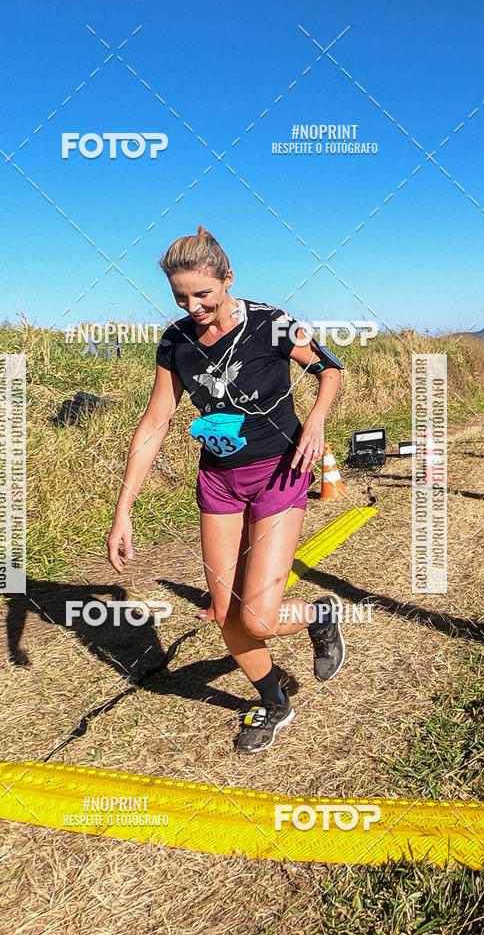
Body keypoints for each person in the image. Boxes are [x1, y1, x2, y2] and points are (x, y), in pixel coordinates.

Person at [107, 225, 345, 753]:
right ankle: (275, 702)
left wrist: (316, 422)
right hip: (218, 481)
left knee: (258, 616)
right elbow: (154, 424)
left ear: (228, 279)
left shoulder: (272, 324)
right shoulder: (176, 341)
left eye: (203, 294)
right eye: (181, 297)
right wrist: (123, 511)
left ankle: (318, 614)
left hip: (280, 473)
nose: (193, 306)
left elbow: (329, 368)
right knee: (228, 618)